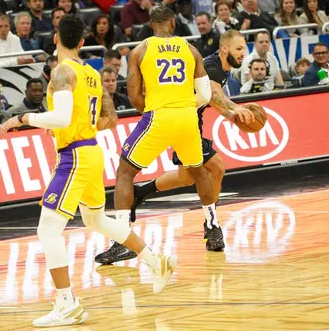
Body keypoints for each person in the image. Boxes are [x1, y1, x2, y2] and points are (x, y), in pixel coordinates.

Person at [0, 14, 177, 327]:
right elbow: (109, 116)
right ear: (82, 42)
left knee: (47, 230)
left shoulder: (61, 72)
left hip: (76, 155)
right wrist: (73, 128)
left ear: (56, 39)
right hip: (92, 150)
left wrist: (23, 119)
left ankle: (67, 303)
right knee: (95, 219)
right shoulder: (91, 72)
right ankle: (154, 259)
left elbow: (63, 117)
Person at [96, 27, 255, 264]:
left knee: (187, 176)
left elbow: (215, 97)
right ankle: (211, 225)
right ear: (224, 49)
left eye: (244, 48)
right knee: (215, 168)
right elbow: (213, 94)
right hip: (180, 119)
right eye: (239, 48)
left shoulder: (222, 69)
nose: (244, 53)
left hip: (183, 120)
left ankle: (141, 193)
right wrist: (234, 111)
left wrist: (232, 114)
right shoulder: (211, 66)